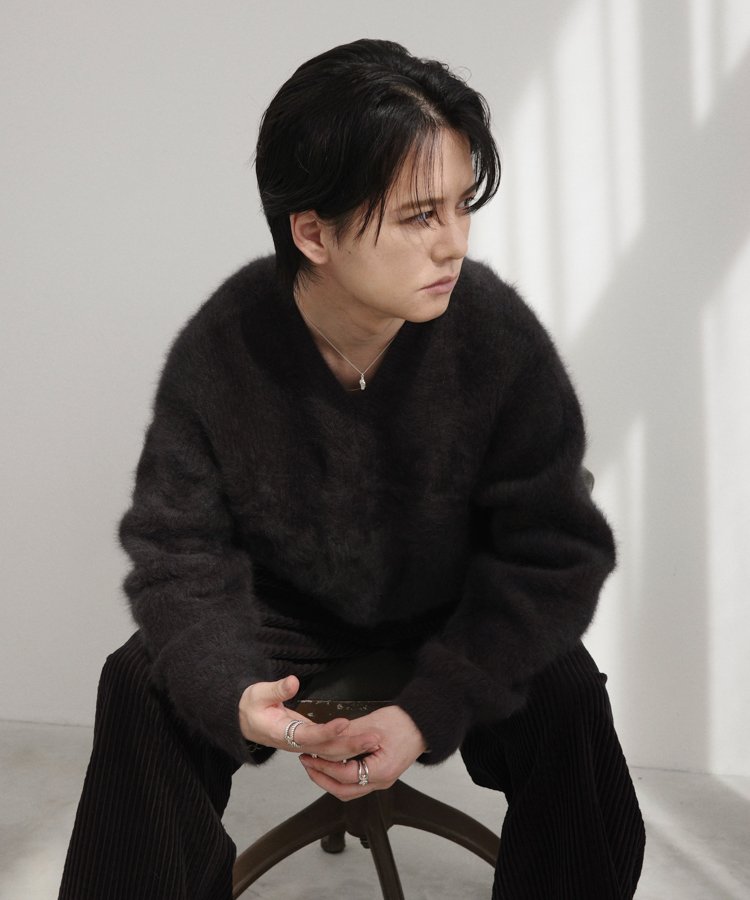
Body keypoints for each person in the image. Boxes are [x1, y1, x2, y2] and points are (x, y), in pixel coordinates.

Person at [59, 38, 645, 900]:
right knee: (142, 682)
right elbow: (177, 546)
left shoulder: (493, 337)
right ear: (313, 232)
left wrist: (428, 711)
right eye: (419, 216)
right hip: (284, 605)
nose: (454, 244)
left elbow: (551, 545)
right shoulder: (226, 348)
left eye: (461, 206)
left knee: (561, 688)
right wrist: (226, 688)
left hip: (454, 600)